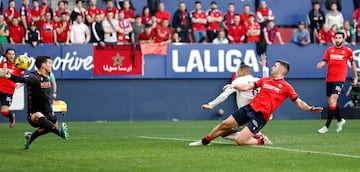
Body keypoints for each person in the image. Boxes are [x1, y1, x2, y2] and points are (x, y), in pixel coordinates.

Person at [189, 60, 323, 146]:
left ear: (282, 70)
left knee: (241, 141)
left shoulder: (287, 87)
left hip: (260, 117)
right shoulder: (265, 80)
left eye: (275, 66)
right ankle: (205, 141)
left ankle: (261, 140)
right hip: (249, 108)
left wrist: (310, 109)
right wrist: (233, 86)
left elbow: (298, 102)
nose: (272, 67)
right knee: (224, 124)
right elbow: (247, 86)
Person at [0, 56, 69, 149]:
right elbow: (21, 79)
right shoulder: (34, 77)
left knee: (52, 125)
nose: (51, 65)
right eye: (49, 63)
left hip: (47, 111)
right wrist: (8, 75)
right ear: (43, 65)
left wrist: (55, 109)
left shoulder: (48, 76)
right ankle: (60, 133)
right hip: (33, 115)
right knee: (40, 116)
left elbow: (45, 98)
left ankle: (30, 138)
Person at [316, 31, 358, 134]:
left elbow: (352, 64)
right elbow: (325, 61)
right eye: (336, 38)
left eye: (340, 38)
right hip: (329, 79)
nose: (338, 40)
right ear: (334, 39)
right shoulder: (330, 50)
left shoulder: (348, 51)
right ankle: (340, 120)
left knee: (333, 100)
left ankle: (326, 126)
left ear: (343, 39)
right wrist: (321, 64)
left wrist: (355, 77)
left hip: (339, 79)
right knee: (331, 102)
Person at [0, 48, 24, 128]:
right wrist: (3, 70)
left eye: (12, 54)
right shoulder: (2, 64)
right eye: (9, 54)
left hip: (8, 91)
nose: (11, 56)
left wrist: (19, 85)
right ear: (6, 55)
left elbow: (23, 80)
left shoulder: (18, 67)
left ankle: (11, 117)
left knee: (4, 111)